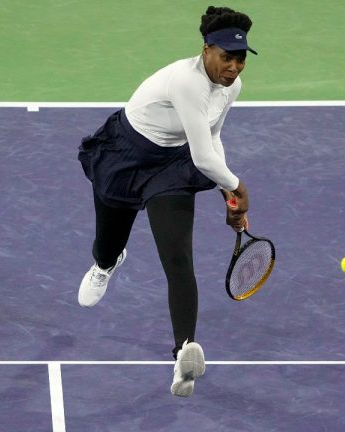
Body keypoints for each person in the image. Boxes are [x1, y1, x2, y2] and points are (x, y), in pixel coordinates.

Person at [77, 6, 257, 397]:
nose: (234, 67)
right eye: (226, 57)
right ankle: (107, 263)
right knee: (107, 246)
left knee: (178, 259)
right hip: (127, 155)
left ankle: (183, 352)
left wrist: (226, 187)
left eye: (240, 59)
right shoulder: (185, 81)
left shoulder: (231, 86)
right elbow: (205, 157)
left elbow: (212, 139)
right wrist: (237, 186)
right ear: (206, 49)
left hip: (174, 166)